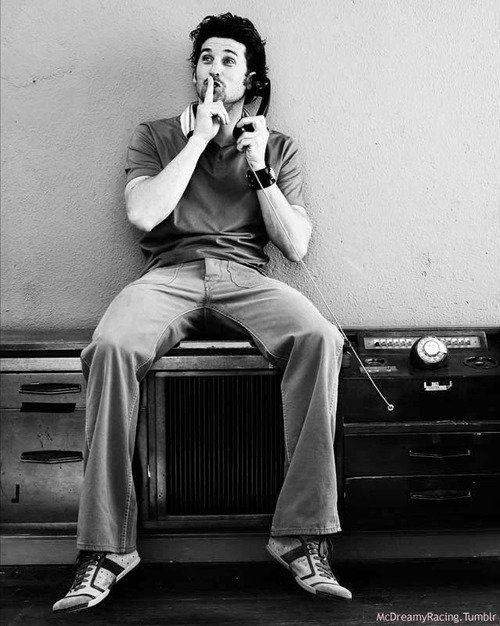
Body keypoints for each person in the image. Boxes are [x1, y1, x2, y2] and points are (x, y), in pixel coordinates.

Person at [53, 12, 351, 613]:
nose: (215, 68)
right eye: (206, 58)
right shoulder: (156, 135)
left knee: (320, 338)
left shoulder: (277, 146)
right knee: (109, 348)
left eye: (229, 59)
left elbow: (295, 247)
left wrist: (259, 166)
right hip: (169, 276)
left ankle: (301, 537)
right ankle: (107, 549)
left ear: (251, 79)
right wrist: (197, 140)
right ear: (195, 73)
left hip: (246, 278)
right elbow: (143, 215)